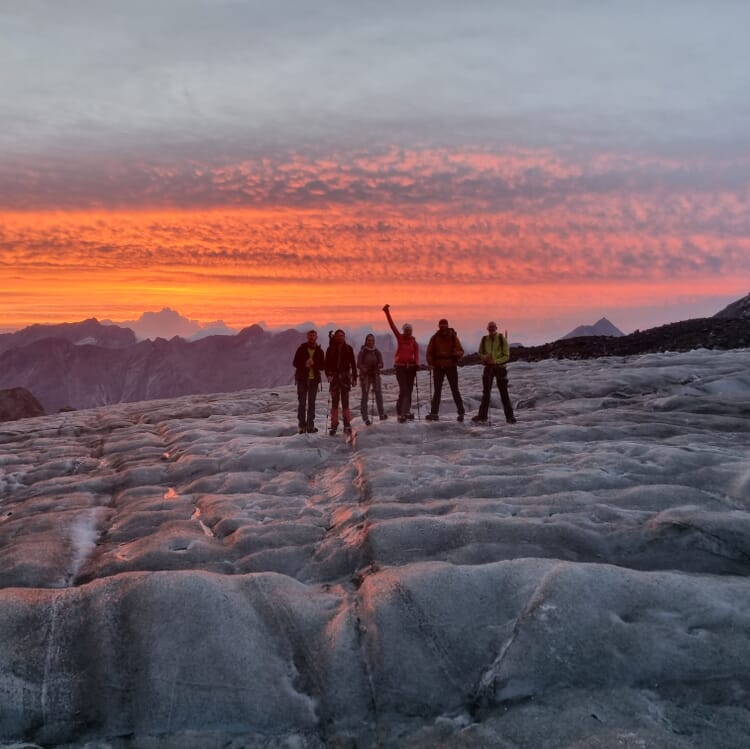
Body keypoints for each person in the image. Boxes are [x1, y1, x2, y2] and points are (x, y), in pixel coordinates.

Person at [472, 321, 517, 424]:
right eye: (490, 327)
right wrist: (485, 358)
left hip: (500, 368)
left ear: (496, 328)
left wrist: (495, 361)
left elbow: (506, 356)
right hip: (488, 368)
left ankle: (510, 417)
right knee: (486, 393)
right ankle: (482, 416)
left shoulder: (502, 339)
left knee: (504, 393)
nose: (491, 329)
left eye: (493, 327)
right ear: (487, 329)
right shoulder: (484, 340)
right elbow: (480, 352)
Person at [382, 304, 420, 423]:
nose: (408, 332)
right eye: (406, 330)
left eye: (410, 330)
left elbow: (417, 354)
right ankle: (400, 413)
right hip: (400, 368)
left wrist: (417, 364)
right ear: (404, 331)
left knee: (409, 390)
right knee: (403, 390)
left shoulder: (414, 342)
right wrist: (387, 312)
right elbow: (392, 326)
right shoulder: (400, 338)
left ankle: (407, 411)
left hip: (411, 368)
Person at [425, 318, 465, 421]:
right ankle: (435, 413)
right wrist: (430, 363)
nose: (443, 326)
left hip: (449, 366)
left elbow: (460, 350)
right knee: (440, 391)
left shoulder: (452, 337)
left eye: (444, 324)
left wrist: (457, 353)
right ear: (439, 326)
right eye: (441, 324)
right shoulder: (435, 338)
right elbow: (429, 352)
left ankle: (460, 412)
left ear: (447, 325)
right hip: (440, 366)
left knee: (453, 390)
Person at [325, 329, 357, 435]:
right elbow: (327, 364)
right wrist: (328, 375)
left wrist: (354, 378)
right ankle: (335, 424)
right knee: (335, 402)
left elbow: (353, 363)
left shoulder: (348, 349)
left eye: (342, 335)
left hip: (345, 378)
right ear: (336, 337)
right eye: (338, 336)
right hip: (336, 378)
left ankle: (346, 424)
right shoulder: (330, 349)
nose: (340, 337)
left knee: (345, 402)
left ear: (344, 337)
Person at [292, 329, 325, 433]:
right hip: (302, 379)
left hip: (314, 380)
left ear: (316, 337)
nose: (312, 337)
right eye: (310, 335)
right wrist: (305, 364)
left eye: (313, 335)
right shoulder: (301, 349)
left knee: (311, 403)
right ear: (307, 337)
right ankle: (302, 426)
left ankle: (310, 426)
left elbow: (322, 366)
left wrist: (314, 364)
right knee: (302, 403)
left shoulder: (320, 351)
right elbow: (295, 363)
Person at [357, 333, 387, 425]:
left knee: (379, 395)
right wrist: (365, 369)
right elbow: (358, 364)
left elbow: (382, 363)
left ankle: (381, 414)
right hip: (365, 376)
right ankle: (365, 418)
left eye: (372, 340)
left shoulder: (377, 351)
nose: (370, 342)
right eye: (369, 340)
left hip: (375, 375)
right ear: (366, 341)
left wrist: (378, 365)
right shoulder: (363, 352)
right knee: (365, 397)